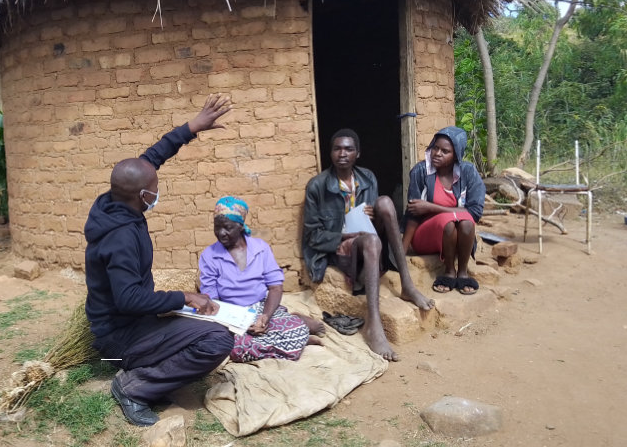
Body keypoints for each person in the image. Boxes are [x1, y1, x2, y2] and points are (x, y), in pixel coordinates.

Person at [84, 94, 234, 427]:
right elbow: (128, 298)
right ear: (143, 196)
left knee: (204, 326)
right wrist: (185, 296)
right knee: (218, 340)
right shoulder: (120, 238)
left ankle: (148, 370)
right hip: (117, 339)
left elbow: (152, 158)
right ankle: (134, 387)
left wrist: (193, 126)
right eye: (155, 186)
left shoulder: (115, 200)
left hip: (136, 322)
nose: (158, 185)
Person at [302, 128, 434, 361]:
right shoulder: (317, 186)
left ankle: (407, 283)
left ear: (358, 153)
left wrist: (372, 217)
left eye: (349, 149)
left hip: (368, 242)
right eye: (337, 148)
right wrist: (344, 238)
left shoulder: (367, 178)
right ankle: (374, 324)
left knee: (384, 202)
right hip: (340, 250)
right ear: (330, 152)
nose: (342, 153)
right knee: (371, 240)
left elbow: (370, 223)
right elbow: (312, 236)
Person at [198, 196, 323, 362]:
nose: (221, 233)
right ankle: (292, 336)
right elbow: (211, 298)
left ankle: (295, 325)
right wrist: (233, 322)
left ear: (240, 226)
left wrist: (264, 318)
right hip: (231, 312)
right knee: (235, 349)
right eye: (217, 227)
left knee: (296, 331)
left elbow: (275, 287)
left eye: (227, 227)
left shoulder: (260, 249)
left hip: (261, 308)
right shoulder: (210, 256)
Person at [402, 126, 485, 296]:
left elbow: (475, 211)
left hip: (457, 235)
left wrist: (431, 207)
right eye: (435, 148)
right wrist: (402, 251)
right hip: (425, 235)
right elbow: (412, 213)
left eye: (445, 151)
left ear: (456, 155)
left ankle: (462, 273)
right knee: (448, 221)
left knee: (467, 222)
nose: (437, 153)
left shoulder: (468, 172)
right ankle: (449, 271)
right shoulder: (421, 171)